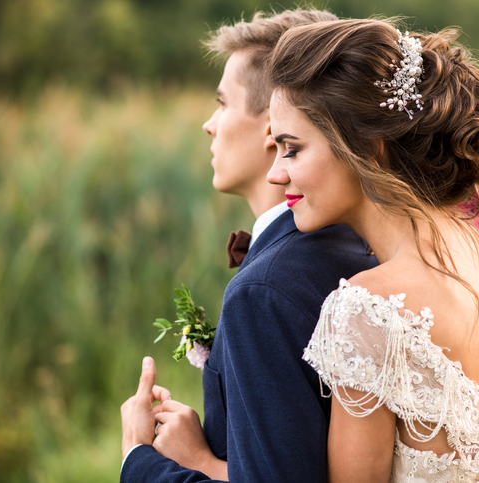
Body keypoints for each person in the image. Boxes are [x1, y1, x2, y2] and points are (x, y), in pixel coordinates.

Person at [266, 19, 479, 483]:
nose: (275, 174)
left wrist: (202, 467)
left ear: (368, 148)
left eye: (291, 149)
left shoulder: (369, 312)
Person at [119, 9, 377, 483]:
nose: (209, 125)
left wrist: (142, 460)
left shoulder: (264, 289)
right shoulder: (368, 249)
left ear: (271, 128)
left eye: (222, 103)